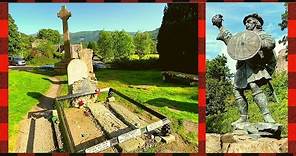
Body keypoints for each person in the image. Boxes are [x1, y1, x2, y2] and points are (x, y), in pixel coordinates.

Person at [212, 13, 277, 124]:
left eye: (249, 21)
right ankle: (243, 117)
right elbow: (233, 43)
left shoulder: (261, 34)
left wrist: (256, 43)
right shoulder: (244, 37)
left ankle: (267, 116)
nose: (246, 24)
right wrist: (220, 26)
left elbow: (271, 43)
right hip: (243, 66)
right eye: (245, 22)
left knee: (254, 86)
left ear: (256, 23)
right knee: (237, 90)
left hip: (255, 66)